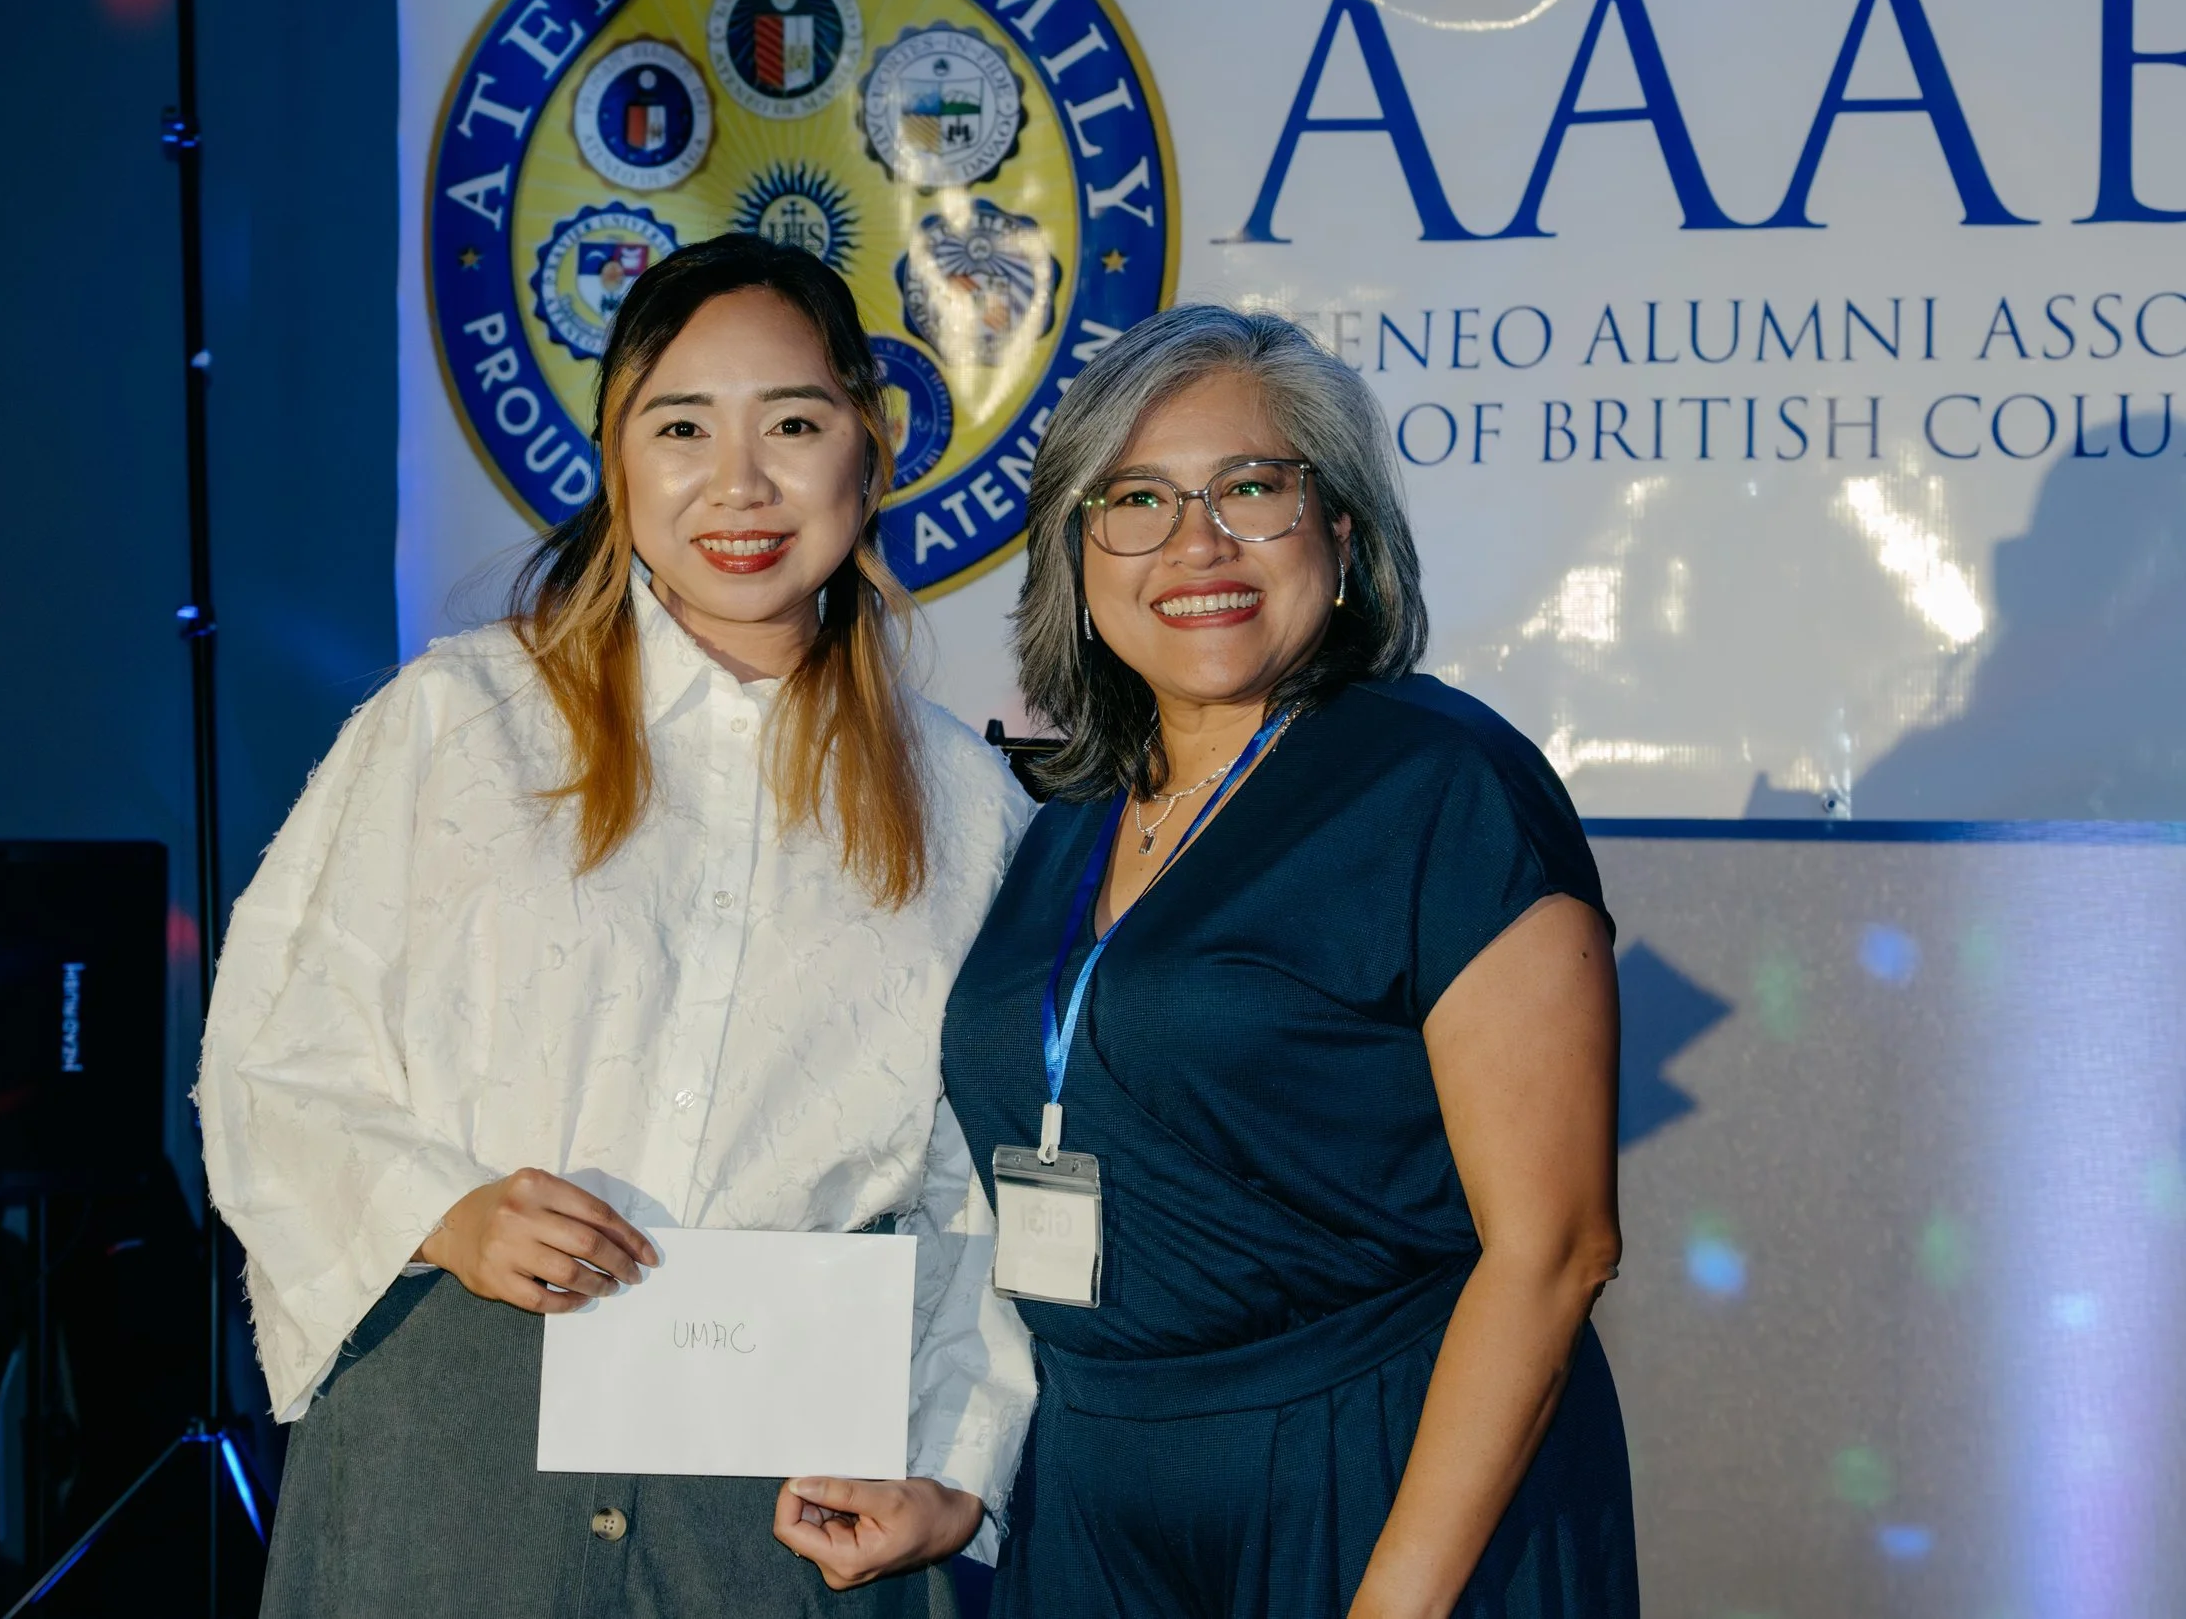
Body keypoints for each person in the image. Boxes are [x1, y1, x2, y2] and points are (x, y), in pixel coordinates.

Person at [196, 235, 1036, 1617]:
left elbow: (982, 1195)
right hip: (456, 1441)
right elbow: (269, 1058)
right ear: (615, 457)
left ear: (870, 451)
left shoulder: (968, 807)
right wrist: (445, 1212)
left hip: (785, 1492)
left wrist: (955, 1464)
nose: (740, 484)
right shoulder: (457, 723)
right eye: (683, 426)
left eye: (794, 424)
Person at [941, 305, 1637, 1616]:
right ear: (1075, 556)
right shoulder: (1072, 815)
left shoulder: (1444, 787)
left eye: (1252, 488)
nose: (1196, 543)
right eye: (1136, 500)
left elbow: (1555, 1250)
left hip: (1377, 1480)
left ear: (1344, 531)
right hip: (1093, 1492)